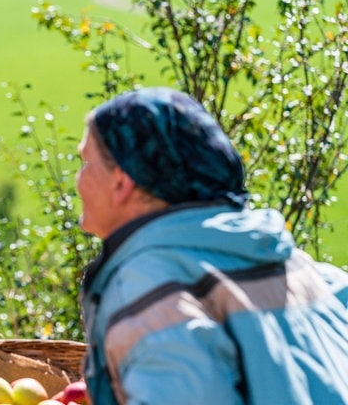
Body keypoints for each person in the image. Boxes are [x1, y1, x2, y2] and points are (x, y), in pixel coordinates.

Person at [75, 87, 348, 404]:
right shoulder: (295, 267)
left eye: (85, 163)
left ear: (121, 182)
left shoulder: (151, 283)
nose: (79, 180)